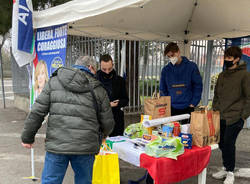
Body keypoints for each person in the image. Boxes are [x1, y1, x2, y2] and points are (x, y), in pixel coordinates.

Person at [21, 56, 115, 184]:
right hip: (85, 146)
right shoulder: (98, 89)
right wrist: (104, 134)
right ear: (90, 68)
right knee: (84, 181)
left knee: (51, 181)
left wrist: (27, 137)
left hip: (57, 145)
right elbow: (108, 122)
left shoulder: (54, 82)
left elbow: (37, 112)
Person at [212, 46, 250, 184]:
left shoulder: (245, 75)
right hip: (220, 116)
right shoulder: (222, 75)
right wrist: (215, 108)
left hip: (235, 117)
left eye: (229, 58)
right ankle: (226, 166)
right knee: (221, 143)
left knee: (229, 143)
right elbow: (216, 94)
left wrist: (243, 116)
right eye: (225, 57)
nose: (226, 60)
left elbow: (249, 97)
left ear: (236, 59)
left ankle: (230, 172)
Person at [160, 42, 203, 124]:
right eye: (169, 57)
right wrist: (166, 104)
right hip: (171, 107)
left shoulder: (191, 67)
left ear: (178, 52)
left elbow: (198, 86)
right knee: (171, 133)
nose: (171, 58)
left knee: (186, 134)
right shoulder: (166, 70)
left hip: (187, 107)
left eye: (172, 55)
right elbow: (162, 89)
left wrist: (193, 103)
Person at [96, 54, 129, 136]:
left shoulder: (120, 80)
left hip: (116, 120)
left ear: (113, 65)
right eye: (104, 69)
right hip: (100, 121)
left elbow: (125, 100)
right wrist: (108, 105)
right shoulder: (94, 80)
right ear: (99, 66)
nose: (107, 72)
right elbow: (91, 102)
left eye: (110, 69)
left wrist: (118, 103)